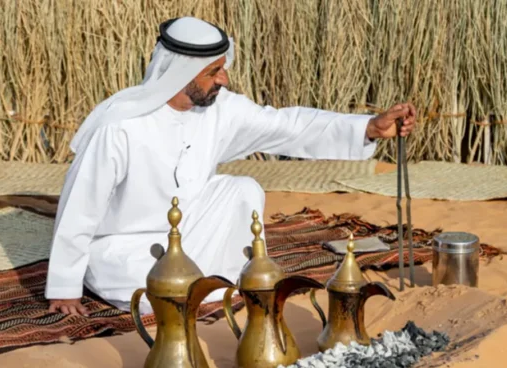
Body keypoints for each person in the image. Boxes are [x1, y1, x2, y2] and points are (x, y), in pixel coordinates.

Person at [46, 16, 416, 316]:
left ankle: (227, 282)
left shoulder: (221, 111)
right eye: (214, 71)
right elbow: (80, 206)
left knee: (242, 189)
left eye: (222, 68)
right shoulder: (120, 126)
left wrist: (369, 128)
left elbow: (288, 125)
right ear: (181, 73)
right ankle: (198, 288)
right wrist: (64, 286)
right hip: (125, 248)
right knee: (157, 297)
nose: (224, 79)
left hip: (187, 231)